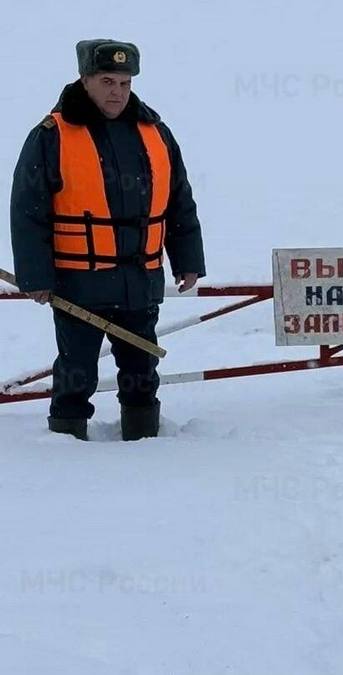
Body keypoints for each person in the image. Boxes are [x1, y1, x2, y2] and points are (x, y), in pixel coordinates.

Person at [9, 39, 205, 441]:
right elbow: (27, 212)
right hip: (78, 283)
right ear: (85, 80)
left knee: (141, 371)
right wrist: (35, 276)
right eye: (107, 82)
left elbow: (179, 201)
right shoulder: (51, 135)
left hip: (140, 281)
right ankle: (65, 445)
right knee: (76, 371)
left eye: (125, 83)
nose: (117, 92)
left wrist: (188, 259)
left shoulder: (155, 133)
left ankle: (145, 442)